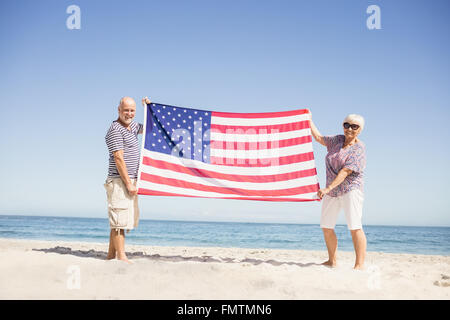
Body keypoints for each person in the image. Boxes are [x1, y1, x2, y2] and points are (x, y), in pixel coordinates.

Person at [308, 110, 367, 270]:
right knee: (326, 226)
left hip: (350, 189)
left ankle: (359, 265)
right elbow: (319, 138)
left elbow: (345, 172)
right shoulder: (337, 140)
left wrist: (328, 188)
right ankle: (332, 261)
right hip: (332, 191)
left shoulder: (359, 149)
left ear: (360, 130)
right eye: (346, 125)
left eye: (354, 127)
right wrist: (309, 120)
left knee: (355, 227)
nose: (349, 129)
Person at [104, 96, 151, 263]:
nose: (129, 114)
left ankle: (110, 255)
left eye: (132, 111)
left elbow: (150, 127)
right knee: (119, 219)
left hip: (130, 179)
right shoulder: (115, 129)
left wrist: (149, 108)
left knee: (119, 219)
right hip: (119, 180)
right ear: (119, 110)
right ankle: (121, 256)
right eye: (126, 110)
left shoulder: (132, 127)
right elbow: (118, 158)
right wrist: (129, 183)